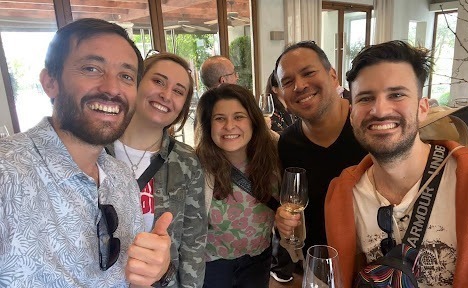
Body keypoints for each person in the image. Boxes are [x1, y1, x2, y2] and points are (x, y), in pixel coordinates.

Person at [0, 18, 172, 287]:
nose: (112, 89)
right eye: (92, 68)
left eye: (126, 76)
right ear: (50, 82)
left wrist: (156, 272)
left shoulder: (120, 177)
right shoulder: (7, 174)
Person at [325, 40, 468, 287]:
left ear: (422, 108)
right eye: (365, 98)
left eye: (397, 95)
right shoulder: (345, 195)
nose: (379, 110)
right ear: (352, 115)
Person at [105, 52, 207, 287]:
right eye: (158, 81)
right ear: (136, 82)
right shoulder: (94, 150)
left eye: (179, 91)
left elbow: (193, 243)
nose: (166, 95)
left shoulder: (186, 161)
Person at [272, 40, 367, 282]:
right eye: (288, 82)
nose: (300, 86)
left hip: (374, 268)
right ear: (282, 94)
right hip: (319, 268)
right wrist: (284, 221)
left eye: (308, 73)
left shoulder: (369, 129)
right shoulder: (288, 143)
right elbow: (298, 208)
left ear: (333, 76)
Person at [195, 84, 280, 288]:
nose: (229, 126)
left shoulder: (276, 152)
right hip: (212, 264)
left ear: (253, 120)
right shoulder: (196, 164)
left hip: (258, 258)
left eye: (239, 116)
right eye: (219, 118)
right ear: (208, 125)